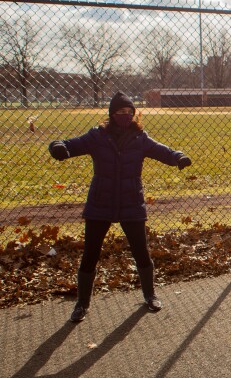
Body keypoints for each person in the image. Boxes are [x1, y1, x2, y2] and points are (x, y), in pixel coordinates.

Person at [48, 92, 192, 323]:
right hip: (100, 201)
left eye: (129, 112)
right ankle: (82, 303)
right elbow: (69, 144)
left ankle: (150, 295)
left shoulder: (140, 138)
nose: (125, 116)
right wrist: (57, 147)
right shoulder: (97, 136)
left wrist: (178, 157)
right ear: (111, 114)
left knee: (141, 251)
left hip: (130, 201)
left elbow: (162, 150)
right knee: (90, 254)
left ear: (134, 114)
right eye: (120, 112)